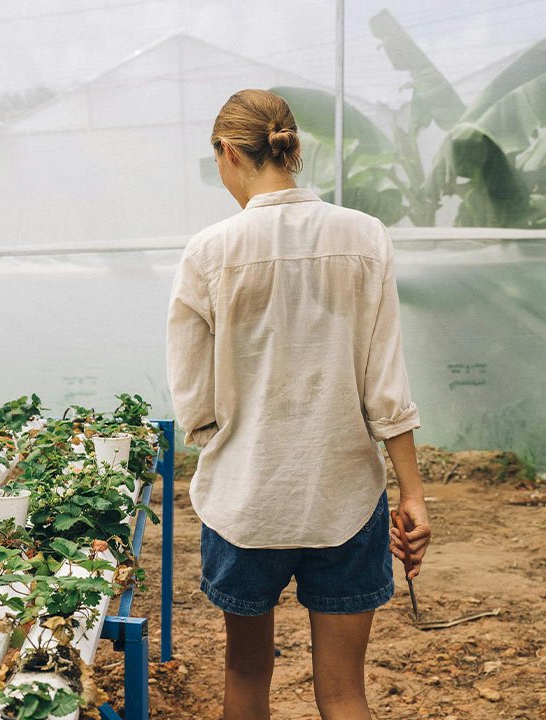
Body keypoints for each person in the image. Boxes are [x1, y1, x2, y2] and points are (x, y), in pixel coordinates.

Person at [166, 89, 431, 720]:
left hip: (245, 502)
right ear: (291, 148)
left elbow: (194, 404)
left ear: (228, 152)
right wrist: (413, 494)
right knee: (344, 692)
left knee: (245, 673)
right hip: (345, 499)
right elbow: (386, 387)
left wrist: (234, 440)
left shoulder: (208, 252)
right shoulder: (366, 237)